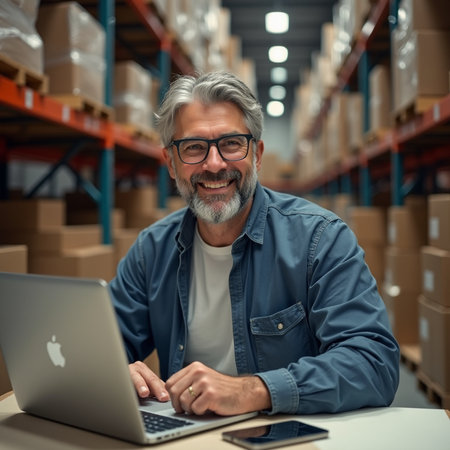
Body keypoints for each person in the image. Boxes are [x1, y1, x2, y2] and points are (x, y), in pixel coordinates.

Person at [109, 71, 399, 417]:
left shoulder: (320, 239)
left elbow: (373, 362)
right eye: (194, 148)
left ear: (257, 155)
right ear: (172, 164)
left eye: (231, 144)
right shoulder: (151, 251)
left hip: (291, 438)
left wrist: (255, 390)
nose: (214, 164)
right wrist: (113, 372)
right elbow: (101, 342)